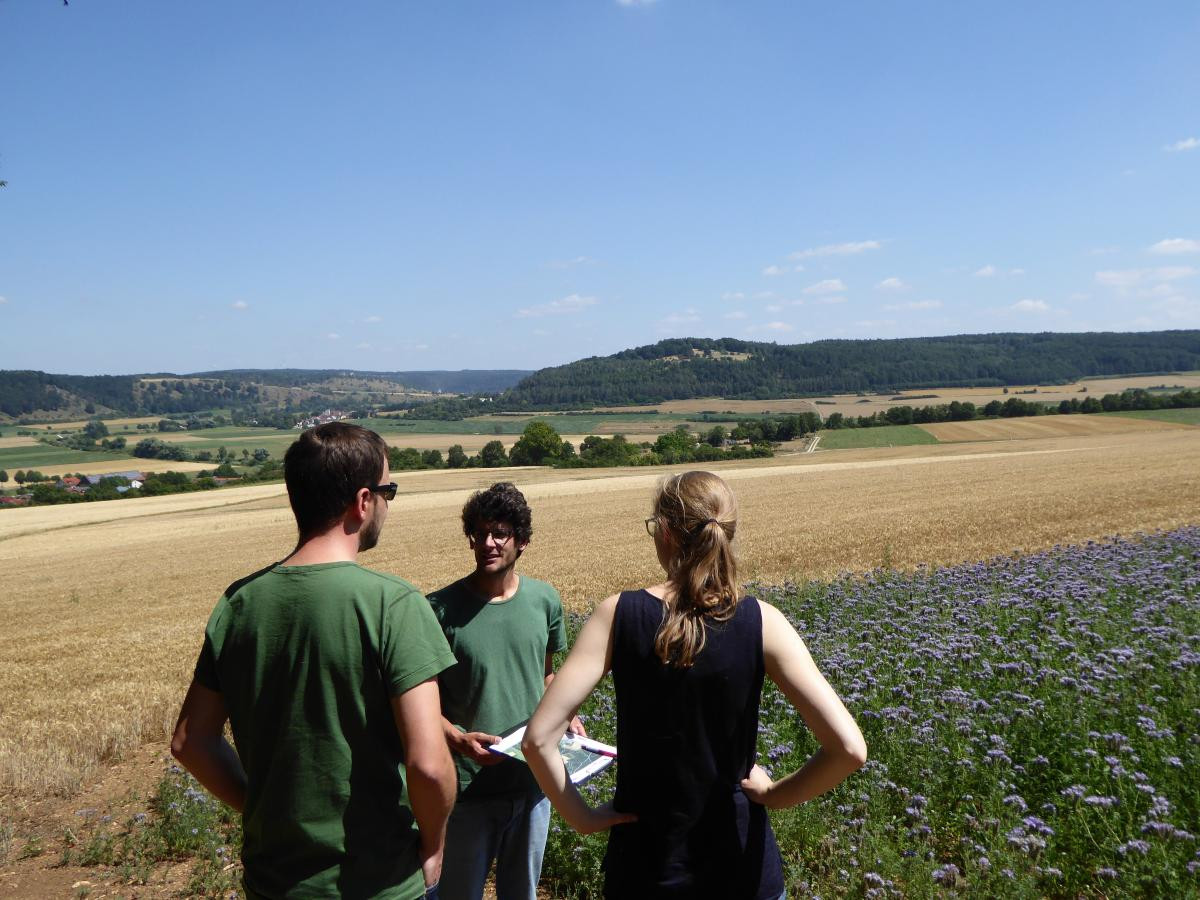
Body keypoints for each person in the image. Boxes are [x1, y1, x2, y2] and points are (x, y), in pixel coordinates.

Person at [522, 470, 867, 899]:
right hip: (744, 869)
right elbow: (850, 749)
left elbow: (538, 740)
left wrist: (582, 817)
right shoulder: (764, 622)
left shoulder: (618, 616)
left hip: (646, 871)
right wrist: (776, 794)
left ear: (665, 532)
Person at [171, 422, 458, 900]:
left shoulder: (239, 604)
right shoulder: (393, 604)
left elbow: (189, 742)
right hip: (377, 883)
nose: (388, 505)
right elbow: (429, 765)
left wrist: (263, 809)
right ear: (363, 501)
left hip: (273, 882)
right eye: (389, 491)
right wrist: (434, 843)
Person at [428, 481, 585, 900]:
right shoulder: (438, 611)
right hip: (467, 792)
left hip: (535, 783)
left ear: (523, 541)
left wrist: (567, 713)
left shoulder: (544, 601)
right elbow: (420, 705)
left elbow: (547, 677)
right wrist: (457, 739)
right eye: (479, 533)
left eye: (500, 533)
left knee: (522, 893)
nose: (488, 543)